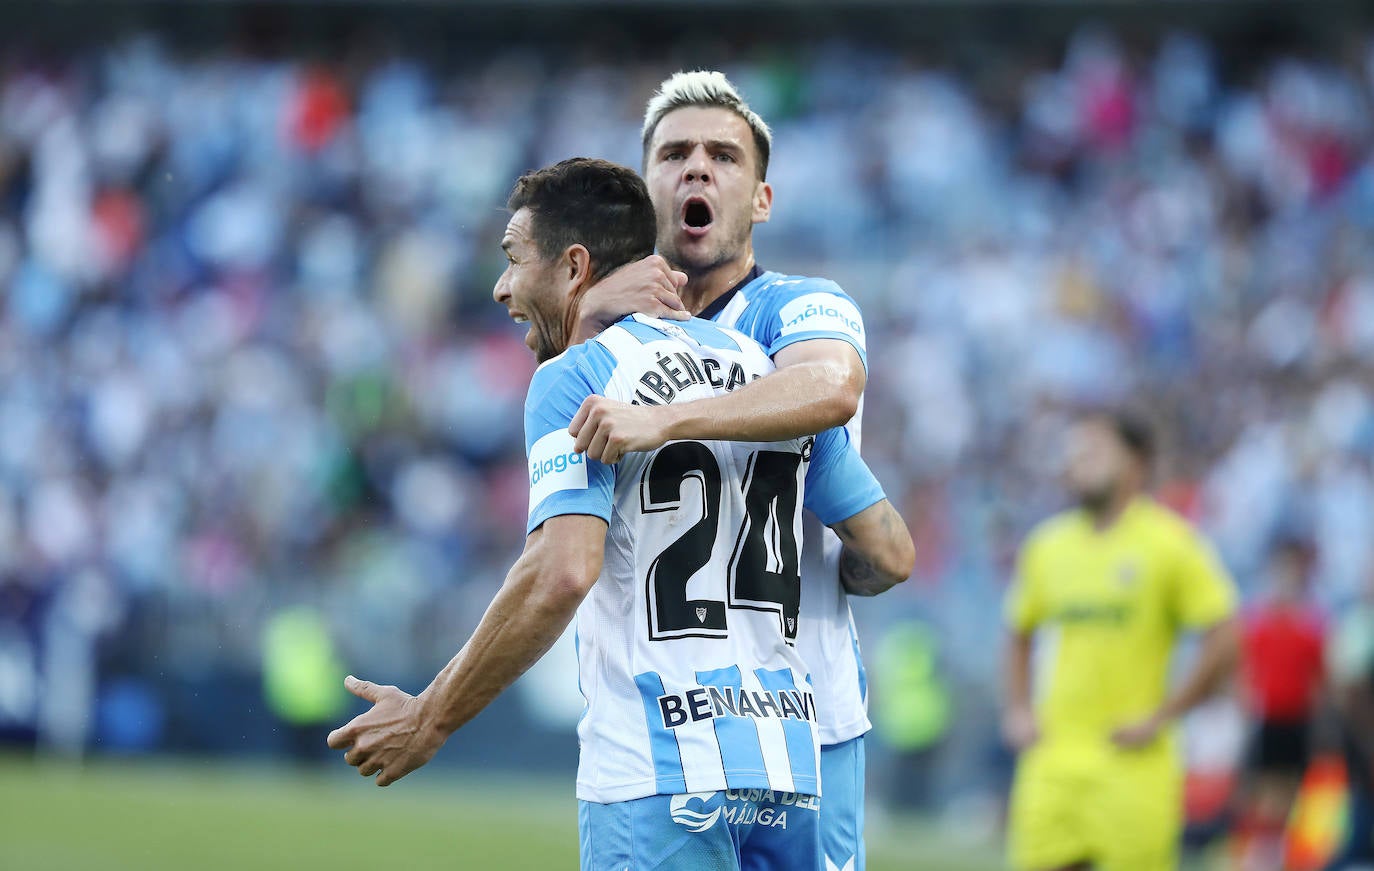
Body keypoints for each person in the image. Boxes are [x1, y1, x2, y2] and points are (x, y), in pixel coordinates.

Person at [327, 157, 916, 871]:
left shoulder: (574, 377)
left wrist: (431, 716)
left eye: (514, 259)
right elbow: (889, 552)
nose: (501, 286)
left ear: (574, 266)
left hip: (657, 771)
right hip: (787, 769)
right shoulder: (764, 373)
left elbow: (564, 570)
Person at [566, 70, 880, 871]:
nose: (697, 169)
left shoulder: (800, 304)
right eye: (674, 154)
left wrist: (663, 419)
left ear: (762, 199)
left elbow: (832, 385)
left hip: (808, 715)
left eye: (723, 156)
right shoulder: (604, 336)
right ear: (646, 192)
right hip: (667, 727)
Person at [1001, 408, 1241, 871]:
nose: (1076, 462)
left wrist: (1164, 716)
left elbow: (1226, 635)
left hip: (1133, 763)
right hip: (1053, 760)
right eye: (1074, 453)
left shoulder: (1171, 543)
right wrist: (1017, 709)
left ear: (1136, 462)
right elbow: (1017, 632)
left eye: (1093, 451)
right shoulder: (1047, 546)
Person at [1232, 537, 1326, 869]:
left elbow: (1319, 680)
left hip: (1296, 718)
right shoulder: (1257, 626)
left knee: (1291, 790)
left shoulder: (1310, 628)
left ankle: (1286, 853)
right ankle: (1263, 853)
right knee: (1264, 789)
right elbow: (1245, 672)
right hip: (1268, 717)